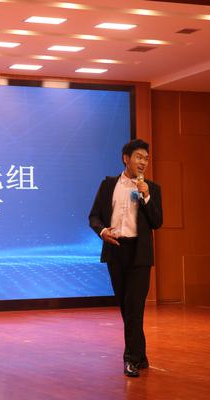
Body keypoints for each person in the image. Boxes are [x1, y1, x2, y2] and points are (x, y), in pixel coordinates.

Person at [88, 139, 163, 377]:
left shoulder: (152, 188)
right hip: (115, 249)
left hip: (139, 253)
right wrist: (103, 231)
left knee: (134, 307)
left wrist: (146, 197)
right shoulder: (108, 185)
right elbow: (94, 216)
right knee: (126, 307)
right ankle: (140, 355)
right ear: (126, 158)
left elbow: (157, 222)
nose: (143, 162)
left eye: (146, 159)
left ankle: (131, 359)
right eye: (139, 157)